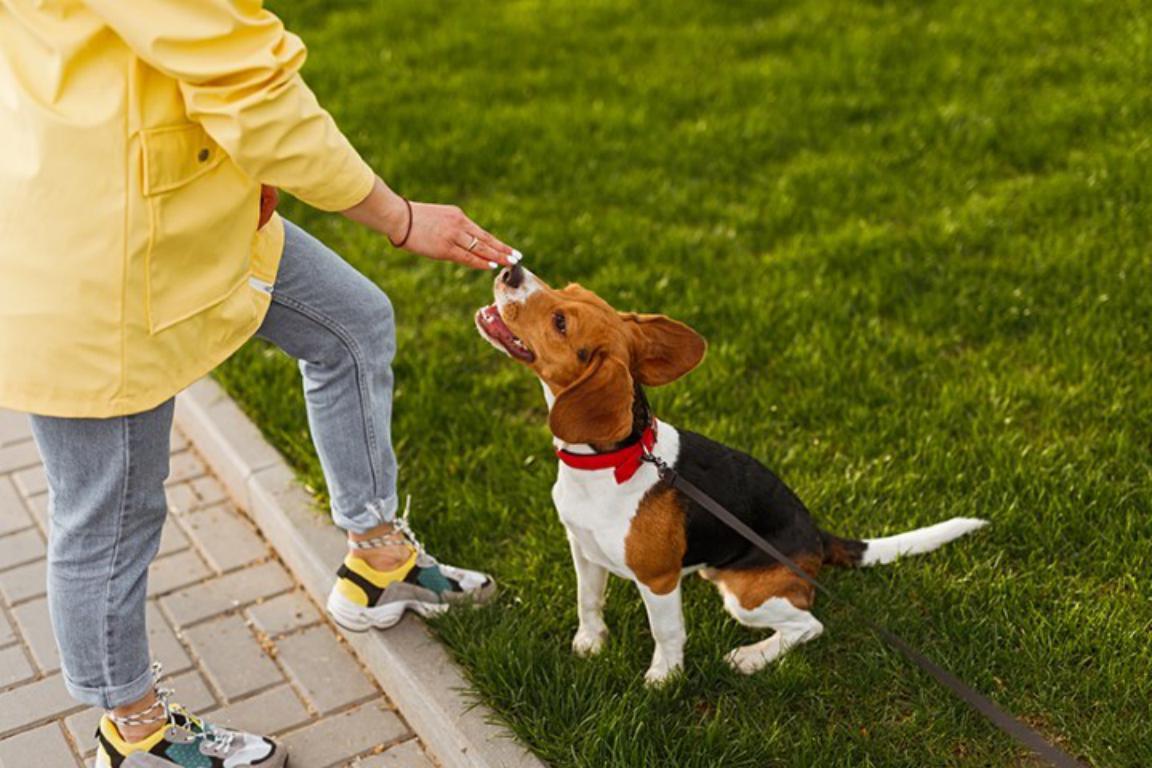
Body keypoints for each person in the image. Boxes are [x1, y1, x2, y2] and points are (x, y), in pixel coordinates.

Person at [0, 1, 512, 765]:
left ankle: (378, 561)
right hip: (94, 256)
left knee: (351, 325)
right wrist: (398, 217)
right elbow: (249, 86)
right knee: (108, 510)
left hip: (189, 211)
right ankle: (134, 733)